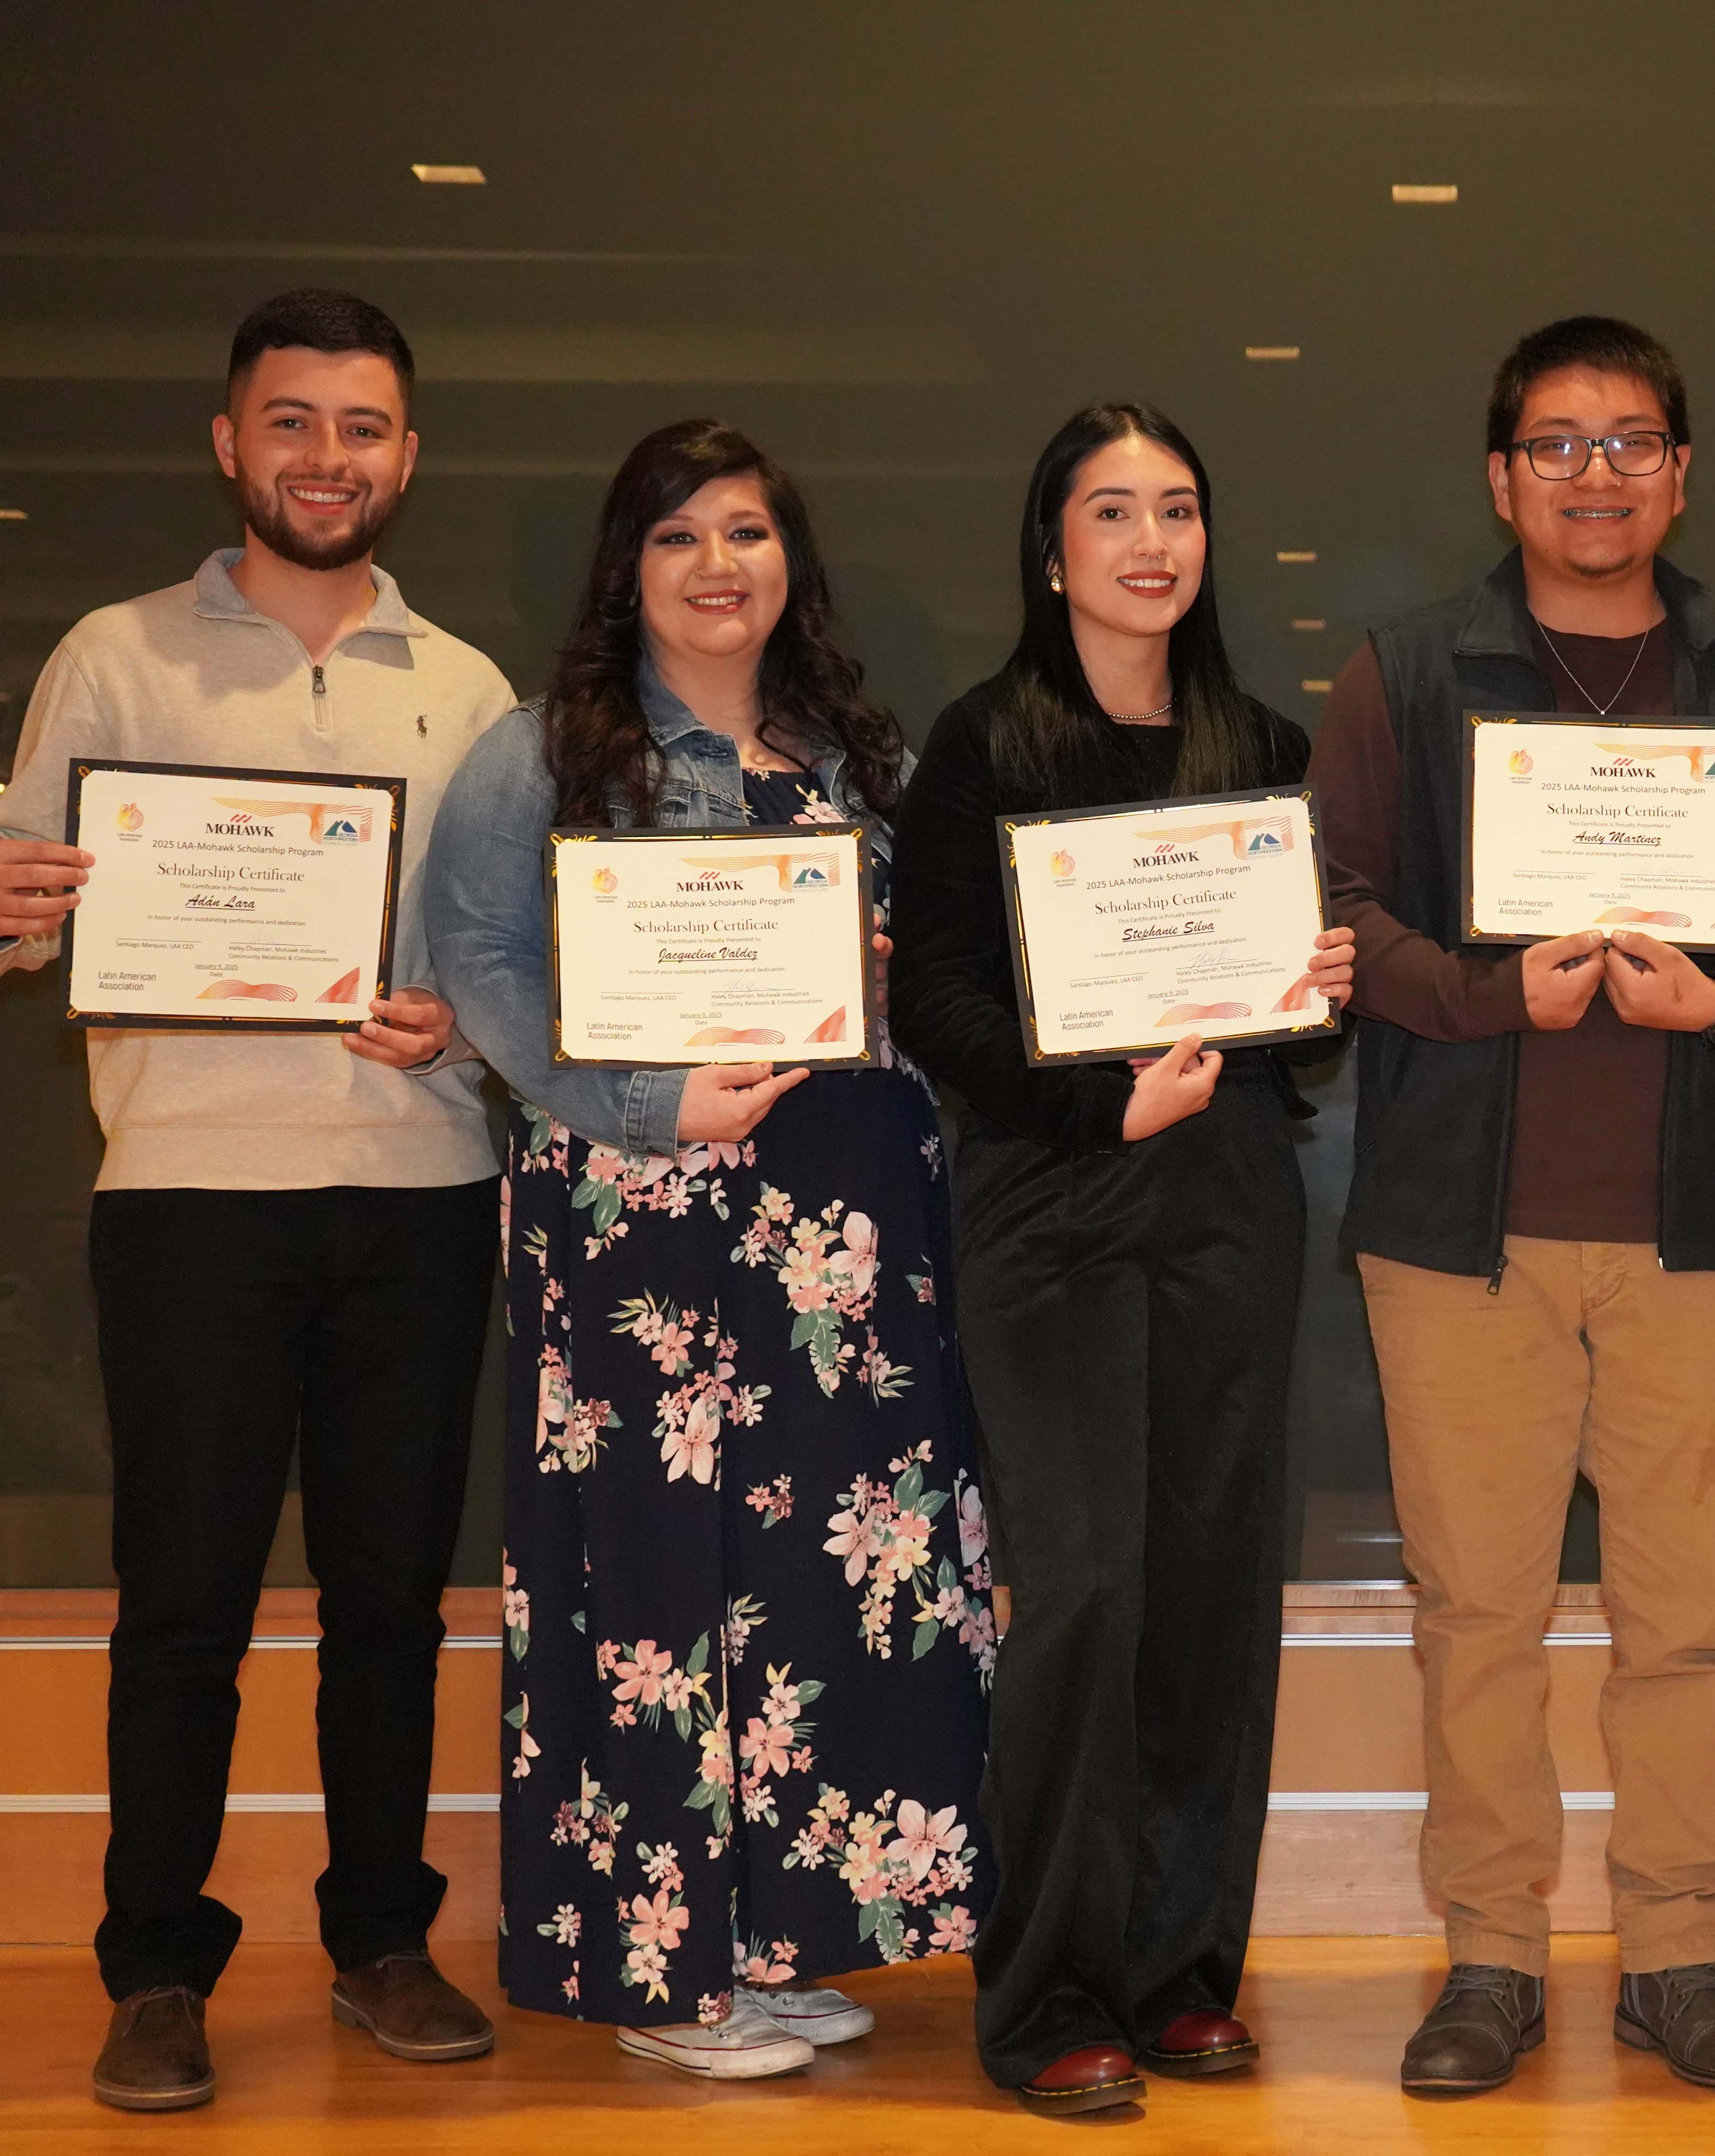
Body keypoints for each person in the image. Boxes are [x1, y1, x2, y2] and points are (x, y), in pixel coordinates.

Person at [0, 289, 518, 2112]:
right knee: (180, 1601)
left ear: (406, 459)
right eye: (291, 423)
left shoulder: (470, 688)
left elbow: (509, 963)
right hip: (188, 1190)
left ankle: (380, 1940)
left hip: (418, 1191)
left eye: (360, 428)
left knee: (390, 1603)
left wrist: (467, 1034)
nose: (324, 458)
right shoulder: (113, 655)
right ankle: (158, 1969)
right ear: (229, 443)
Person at [1307, 316, 1715, 2097]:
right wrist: (1499, 995)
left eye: (1632, 443)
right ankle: (1489, 1956)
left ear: (1683, 474)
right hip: (1456, 1232)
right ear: (1502, 478)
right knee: (1474, 1612)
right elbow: (1334, 915)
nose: (1596, 477)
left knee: (1684, 1625)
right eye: (1557, 446)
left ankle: (1676, 1952)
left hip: (1699, 1228)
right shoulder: (1407, 675)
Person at [425, 420, 995, 2082]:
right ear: (631, 569)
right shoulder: (538, 753)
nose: (718, 566)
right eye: (678, 538)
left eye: (747, 533)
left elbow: (917, 978)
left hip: (842, 1222)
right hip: (640, 1215)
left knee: (834, 1572)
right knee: (658, 1577)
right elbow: (477, 963)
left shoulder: (853, 758)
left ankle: (779, 1936)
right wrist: (645, 1099)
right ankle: (659, 1967)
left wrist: (889, 965)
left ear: (790, 564)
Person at [889, 403, 1354, 2116]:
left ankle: (1177, 1976)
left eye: (1179, 508)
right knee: (1082, 1593)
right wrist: (1096, 1104)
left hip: (1231, 1200)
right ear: (1053, 547)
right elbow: (935, 999)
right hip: (1055, 1198)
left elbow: (1292, 1045)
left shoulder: (1264, 745)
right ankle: (1049, 1999)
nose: (1151, 542)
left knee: (1212, 1590)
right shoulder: (983, 745)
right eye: (1111, 511)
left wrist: (1319, 988)